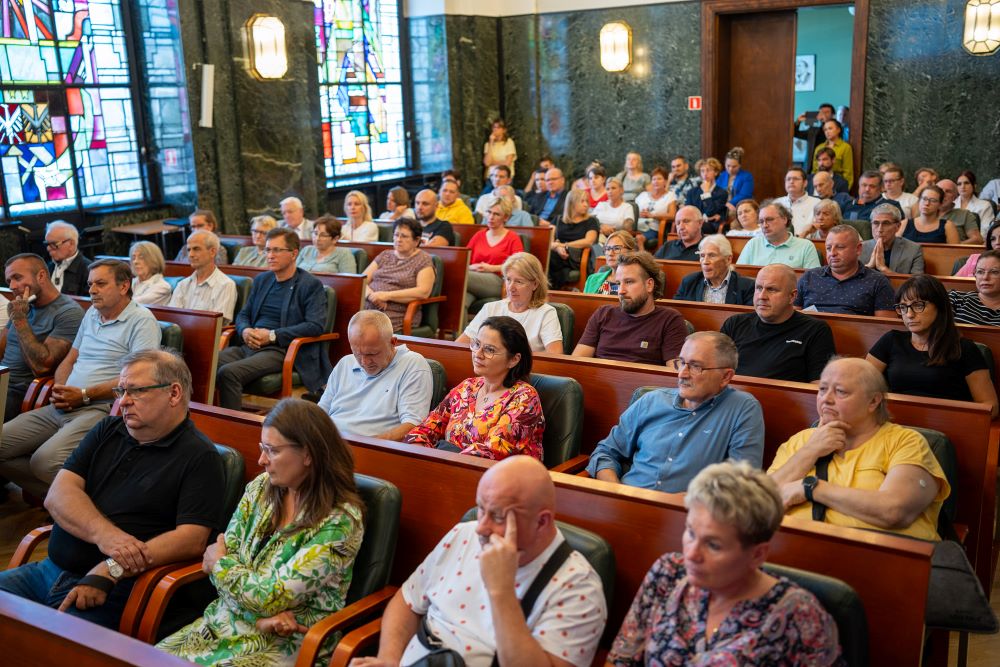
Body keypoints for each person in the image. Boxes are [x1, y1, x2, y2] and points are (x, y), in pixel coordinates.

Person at [0, 349, 226, 629]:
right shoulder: (107, 429)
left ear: (174, 393)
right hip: (48, 570)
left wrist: (112, 567)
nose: (124, 401)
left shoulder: (200, 457)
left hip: (119, 588)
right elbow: (59, 494)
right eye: (121, 391)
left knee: (46, 649)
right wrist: (107, 537)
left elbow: (191, 539)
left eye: (135, 391)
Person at [158, 398, 364, 666]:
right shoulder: (261, 488)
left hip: (286, 644)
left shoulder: (340, 521)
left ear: (308, 454)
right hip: (224, 624)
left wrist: (221, 564)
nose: (261, 459)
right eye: (262, 448)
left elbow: (267, 595)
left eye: (272, 450)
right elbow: (226, 572)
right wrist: (259, 617)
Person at [354, 456, 606, 667]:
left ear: (542, 522)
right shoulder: (465, 534)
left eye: (497, 516)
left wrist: (502, 591)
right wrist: (389, 659)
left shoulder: (579, 587)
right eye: (481, 508)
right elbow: (407, 602)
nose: (481, 527)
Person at [608, 461, 843, 666]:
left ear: (757, 555)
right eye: (690, 533)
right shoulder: (667, 573)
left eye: (713, 545)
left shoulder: (799, 614)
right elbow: (621, 659)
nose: (691, 554)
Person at [0, 259, 161, 497]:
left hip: (101, 407)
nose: (92, 290)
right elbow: (69, 360)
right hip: (64, 403)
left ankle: (85, 504)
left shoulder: (142, 321)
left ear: (124, 286)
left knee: (43, 462)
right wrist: (62, 388)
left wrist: (84, 395)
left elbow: (138, 378)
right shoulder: (92, 315)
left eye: (101, 284)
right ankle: (69, 502)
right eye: (90, 284)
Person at [768, 357, 950, 542]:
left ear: (873, 401)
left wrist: (811, 488)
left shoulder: (906, 442)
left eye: (840, 392)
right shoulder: (800, 441)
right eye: (822, 389)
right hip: (790, 554)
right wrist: (810, 451)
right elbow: (760, 504)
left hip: (881, 560)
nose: (826, 399)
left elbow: (894, 511)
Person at [586, 332, 764, 492]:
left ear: (726, 376)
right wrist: (615, 492)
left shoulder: (742, 409)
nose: (682, 374)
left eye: (695, 366)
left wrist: (691, 502)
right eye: (681, 363)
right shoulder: (651, 401)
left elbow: (741, 482)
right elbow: (605, 452)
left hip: (689, 516)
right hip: (626, 501)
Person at [216, 229, 330, 410]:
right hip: (249, 345)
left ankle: (233, 430)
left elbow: (315, 326)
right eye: (268, 250)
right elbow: (243, 315)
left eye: (276, 250)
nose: (270, 255)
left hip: (281, 350)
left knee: (228, 373)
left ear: (293, 254)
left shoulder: (310, 285)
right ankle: (209, 419)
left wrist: (272, 335)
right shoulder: (262, 280)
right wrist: (245, 331)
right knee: (206, 362)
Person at [406, 316, 544, 460]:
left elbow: (492, 453)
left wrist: (439, 461)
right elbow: (425, 429)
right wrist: (420, 455)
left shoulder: (524, 398)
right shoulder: (467, 387)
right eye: (476, 344)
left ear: (514, 359)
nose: (478, 354)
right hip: (448, 467)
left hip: (496, 478)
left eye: (489, 350)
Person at [867, 275, 997, 416]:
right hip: (896, 423)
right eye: (903, 307)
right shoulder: (891, 340)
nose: (909, 314)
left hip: (946, 428)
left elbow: (991, 407)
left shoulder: (964, 349)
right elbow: (861, 383)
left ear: (939, 306)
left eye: (918, 305)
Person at [317, 311, 433, 440]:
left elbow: (413, 425)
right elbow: (320, 413)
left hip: (369, 449)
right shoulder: (345, 363)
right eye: (357, 353)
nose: (364, 362)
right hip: (328, 443)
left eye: (372, 354)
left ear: (393, 342)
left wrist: (369, 445)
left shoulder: (413, 365)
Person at [1, 254, 84, 422]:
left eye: (17, 278)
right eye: (9, 281)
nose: (12, 286)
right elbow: (2, 345)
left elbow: (42, 367)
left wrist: (20, 320)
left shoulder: (68, 312)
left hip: (22, 391)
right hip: (3, 380)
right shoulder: (24, 306)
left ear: (41, 276)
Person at [720, 264, 834, 382]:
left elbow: (819, 386)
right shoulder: (734, 324)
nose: (762, 296)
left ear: (792, 296)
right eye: (758, 288)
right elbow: (715, 371)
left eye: (772, 289)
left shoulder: (815, 330)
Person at [573, 251, 687, 365]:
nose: (621, 291)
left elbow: (675, 374)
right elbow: (576, 364)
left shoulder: (670, 320)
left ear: (649, 285)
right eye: (618, 283)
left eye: (628, 282)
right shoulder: (603, 314)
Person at [459, 253, 563, 354]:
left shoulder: (546, 313)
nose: (510, 287)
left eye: (519, 282)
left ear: (535, 284)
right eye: (508, 280)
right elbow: (460, 345)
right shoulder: (491, 308)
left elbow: (555, 356)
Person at [795, 225, 896, 317]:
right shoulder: (809, 277)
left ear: (858, 249)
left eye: (840, 247)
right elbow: (792, 318)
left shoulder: (878, 281)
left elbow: (885, 328)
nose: (832, 253)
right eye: (828, 248)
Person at [361, 218, 434, 332]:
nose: (398, 239)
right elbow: (362, 280)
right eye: (396, 235)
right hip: (369, 304)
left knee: (367, 327)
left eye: (404, 236)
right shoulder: (385, 255)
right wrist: (373, 296)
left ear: (416, 240)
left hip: (397, 312)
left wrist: (387, 295)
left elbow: (423, 292)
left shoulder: (424, 260)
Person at [464, 196, 524, 308]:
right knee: (461, 302)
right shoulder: (478, 235)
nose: (491, 217)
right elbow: (464, 260)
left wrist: (491, 268)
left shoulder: (513, 238)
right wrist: (471, 267)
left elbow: (518, 267)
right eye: (489, 212)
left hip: (498, 281)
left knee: (461, 275)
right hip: (474, 278)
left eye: (496, 214)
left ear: (505, 217)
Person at [167, 231, 239, 324]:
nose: (191, 255)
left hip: (207, 337)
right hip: (181, 335)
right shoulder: (182, 284)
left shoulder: (226, 285)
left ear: (212, 252)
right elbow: (172, 318)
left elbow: (218, 325)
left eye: (196, 249)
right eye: (189, 250)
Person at [673, 234, 754, 305]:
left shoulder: (747, 287)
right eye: (702, 256)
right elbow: (676, 312)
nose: (705, 261)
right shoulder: (689, 282)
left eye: (712, 255)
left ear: (728, 259)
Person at [738, 202, 821, 268]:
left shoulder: (806, 246)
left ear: (784, 219)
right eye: (761, 221)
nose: (765, 225)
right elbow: (739, 275)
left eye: (769, 219)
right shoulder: (753, 244)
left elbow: (813, 282)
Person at [548, 188, 599, 289]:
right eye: (582, 201)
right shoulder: (558, 219)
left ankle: (552, 289)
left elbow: (589, 241)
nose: (586, 204)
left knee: (550, 258)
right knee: (549, 255)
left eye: (587, 201)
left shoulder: (591, 221)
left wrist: (563, 245)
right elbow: (548, 241)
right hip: (558, 254)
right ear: (571, 203)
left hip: (577, 257)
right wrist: (557, 248)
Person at [861, 204, 925, 274]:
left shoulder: (913, 249)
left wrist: (883, 269)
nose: (880, 229)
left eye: (886, 223)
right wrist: (869, 266)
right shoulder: (860, 248)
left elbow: (917, 283)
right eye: (876, 223)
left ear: (898, 226)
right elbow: (851, 281)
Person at [838, 171, 902, 236]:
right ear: (859, 186)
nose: (867, 189)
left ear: (881, 188)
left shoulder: (891, 206)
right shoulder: (847, 204)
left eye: (872, 186)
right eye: (864, 185)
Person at [949, 249, 1000, 326]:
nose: (985, 277)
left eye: (994, 272)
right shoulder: (955, 298)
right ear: (975, 275)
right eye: (980, 272)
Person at [44, 221, 92, 296]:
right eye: (47, 244)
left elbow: (88, 304)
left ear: (71, 244)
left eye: (54, 244)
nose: (48, 248)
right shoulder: (48, 266)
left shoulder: (89, 272)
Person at [635, 166, 678, 248]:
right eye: (654, 179)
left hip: (653, 228)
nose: (656, 181)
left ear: (665, 181)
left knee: (639, 238)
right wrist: (639, 214)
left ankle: (643, 260)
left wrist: (653, 215)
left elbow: (673, 215)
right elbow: (632, 212)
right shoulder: (642, 195)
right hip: (637, 226)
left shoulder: (670, 196)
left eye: (659, 179)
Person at [585, 231, 639, 295]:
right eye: (607, 249)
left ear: (631, 252)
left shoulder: (638, 282)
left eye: (616, 248)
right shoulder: (592, 279)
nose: (610, 253)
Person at [685, 157, 729, 234]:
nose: (705, 174)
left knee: (697, 226)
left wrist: (706, 193)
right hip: (694, 223)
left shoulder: (722, 193)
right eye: (702, 171)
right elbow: (688, 212)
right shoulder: (692, 192)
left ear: (715, 172)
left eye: (708, 170)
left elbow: (710, 212)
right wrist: (706, 217)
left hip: (711, 226)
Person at [774, 167, 820, 236]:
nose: (791, 182)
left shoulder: (817, 204)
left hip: (808, 244)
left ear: (805, 183)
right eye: (788, 179)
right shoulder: (776, 203)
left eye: (795, 179)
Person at [938, 179, 984, 245]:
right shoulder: (925, 214)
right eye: (940, 190)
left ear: (955, 197)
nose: (943, 194)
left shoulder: (965, 214)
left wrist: (955, 245)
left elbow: (977, 239)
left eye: (948, 191)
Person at [811, 119, 854, 188]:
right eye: (825, 130)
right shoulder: (819, 147)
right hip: (819, 184)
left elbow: (848, 173)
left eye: (830, 128)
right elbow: (814, 169)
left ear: (838, 130)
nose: (827, 132)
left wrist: (844, 190)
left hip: (837, 184)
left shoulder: (845, 147)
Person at [793, 103, 835, 171]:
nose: (823, 114)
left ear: (833, 115)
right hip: (812, 165)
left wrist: (825, 121)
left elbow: (827, 133)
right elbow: (795, 133)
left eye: (826, 112)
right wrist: (798, 121)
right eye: (821, 112)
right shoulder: (813, 130)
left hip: (829, 165)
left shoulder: (836, 128)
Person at [129, 241, 172, 306]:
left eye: (141, 257)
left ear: (154, 260)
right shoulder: (132, 282)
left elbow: (131, 305)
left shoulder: (162, 287)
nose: (135, 262)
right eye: (134, 258)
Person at [716, 147, 754, 218]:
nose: (730, 169)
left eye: (734, 166)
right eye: (728, 166)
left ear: (740, 165)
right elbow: (716, 192)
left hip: (740, 205)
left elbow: (745, 195)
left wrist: (730, 203)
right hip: (723, 205)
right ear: (724, 163)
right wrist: (724, 204)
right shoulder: (722, 175)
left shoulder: (747, 176)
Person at [956, 171, 996, 237]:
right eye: (959, 184)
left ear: (974, 186)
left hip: (976, 244)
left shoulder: (985, 205)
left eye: (966, 183)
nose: (962, 186)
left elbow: (986, 231)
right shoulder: (951, 205)